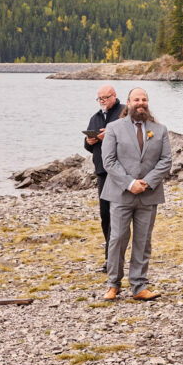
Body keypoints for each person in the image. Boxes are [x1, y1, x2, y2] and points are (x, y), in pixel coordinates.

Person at [100, 87, 171, 301]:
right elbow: (109, 161)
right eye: (136, 99)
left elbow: (166, 161)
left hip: (149, 194)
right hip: (121, 193)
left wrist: (147, 183)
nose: (141, 103)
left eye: (144, 99)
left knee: (143, 240)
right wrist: (130, 183)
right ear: (128, 103)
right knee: (118, 238)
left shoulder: (160, 129)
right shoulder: (114, 128)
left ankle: (139, 285)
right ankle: (113, 284)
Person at [84, 85, 123, 271]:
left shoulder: (124, 112)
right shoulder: (95, 118)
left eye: (105, 97)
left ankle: (115, 257)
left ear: (114, 96)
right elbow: (88, 147)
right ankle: (109, 257)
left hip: (121, 172)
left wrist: (112, 134)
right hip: (102, 172)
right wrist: (89, 141)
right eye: (99, 98)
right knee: (105, 215)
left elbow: (133, 135)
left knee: (120, 215)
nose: (102, 101)